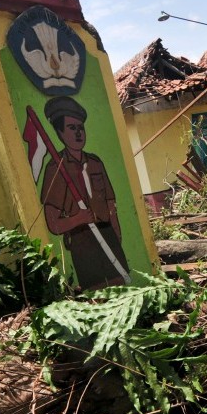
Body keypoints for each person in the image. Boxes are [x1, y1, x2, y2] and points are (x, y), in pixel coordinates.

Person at [40, 96, 130, 290]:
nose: (79, 133)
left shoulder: (95, 163)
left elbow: (110, 204)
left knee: (121, 287)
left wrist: (116, 235)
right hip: (83, 241)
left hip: (107, 234)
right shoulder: (56, 169)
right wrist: (77, 219)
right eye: (72, 128)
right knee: (96, 295)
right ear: (59, 132)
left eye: (81, 127)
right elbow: (53, 223)